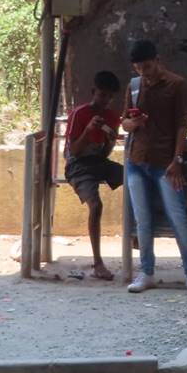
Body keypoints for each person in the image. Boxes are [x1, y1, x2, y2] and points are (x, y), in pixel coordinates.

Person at [123, 39, 187, 297]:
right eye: (138, 68)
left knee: (177, 217)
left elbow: (183, 124)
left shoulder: (176, 84)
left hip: (166, 163)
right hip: (136, 161)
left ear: (157, 61)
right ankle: (146, 271)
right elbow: (124, 123)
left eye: (146, 67)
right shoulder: (135, 86)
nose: (143, 73)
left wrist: (177, 159)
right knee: (143, 219)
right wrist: (134, 123)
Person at [64, 70, 124, 281]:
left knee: (135, 179)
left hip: (99, 161)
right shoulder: (79, 114)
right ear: (93, 92)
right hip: (78, 165)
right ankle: (98, 262)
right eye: (101, 95)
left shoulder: (112, 116)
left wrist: (109, 140)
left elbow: (106, 154)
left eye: (108, 97)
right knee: (96, 206)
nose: (104, 100)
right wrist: (88, 131)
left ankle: (135, 235)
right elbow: (74, 151)